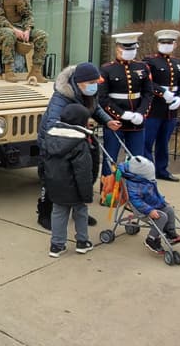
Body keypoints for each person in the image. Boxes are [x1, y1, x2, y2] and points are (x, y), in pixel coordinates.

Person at [35, 62, 120, 230]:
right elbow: (53, 124)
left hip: (79, 139)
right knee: (53, 179)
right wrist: (79, 125)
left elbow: (95, 108)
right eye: (91, 83)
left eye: (96, 82)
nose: (94, 86)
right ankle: (45, 213)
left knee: (81, 176)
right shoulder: (61, 97)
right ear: (79, 82)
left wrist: (107, 121)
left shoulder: (88, 93)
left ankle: (79, 211)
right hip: (54, 143)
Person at [40, 104, 97, 258]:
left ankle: (57, 245)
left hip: (55, 184)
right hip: (76, 188)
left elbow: (43, 163)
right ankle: (82, 242)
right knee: (81, 212)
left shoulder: (49, 137)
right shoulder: (80, 143)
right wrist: (87, 194)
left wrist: (45, 181)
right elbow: (83, 172)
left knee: (58, 213)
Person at [96, 32, 153, 174]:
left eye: (132, 49)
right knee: (110, 159)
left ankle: (134, 191)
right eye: (126, 49)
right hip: (115, 122)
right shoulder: (107, 69)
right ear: (118, 48)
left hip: (136, 122)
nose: (130, 52)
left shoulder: (142, 68)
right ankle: (107, 193)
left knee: (137, 160)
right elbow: (102, 98)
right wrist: (121, 114)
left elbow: (148, 93)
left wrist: (141, 113)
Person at [143, 28, 180, 182]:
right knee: (147, 142)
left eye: (169, 42)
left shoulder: (177, 63)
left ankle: (162, 170)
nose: (166, 45)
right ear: (158, 44)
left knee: (164, 142)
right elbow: (147, 82)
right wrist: (162, 92)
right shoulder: (150, 61)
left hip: (171, 110)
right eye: (163, 42)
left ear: (175, 44)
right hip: (154, 108)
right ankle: (148, 171)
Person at [121, 155, 180, 255]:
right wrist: (149, 210)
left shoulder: (145, 180)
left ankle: (170, 233)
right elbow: (136, 201)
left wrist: (162, 200)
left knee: (169, 209)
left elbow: (154, 193)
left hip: (152, 204)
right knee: (162, 217)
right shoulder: (134, 185)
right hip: (142, 210)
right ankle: (151, 239)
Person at [0, 0, 48, 81]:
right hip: (1, 29)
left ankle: (35, 71)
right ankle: (8, 71)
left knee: (42, 35)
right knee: (9, 34)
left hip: (21, 29)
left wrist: (28, 29)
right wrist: (13, 29)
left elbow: (28, 15)